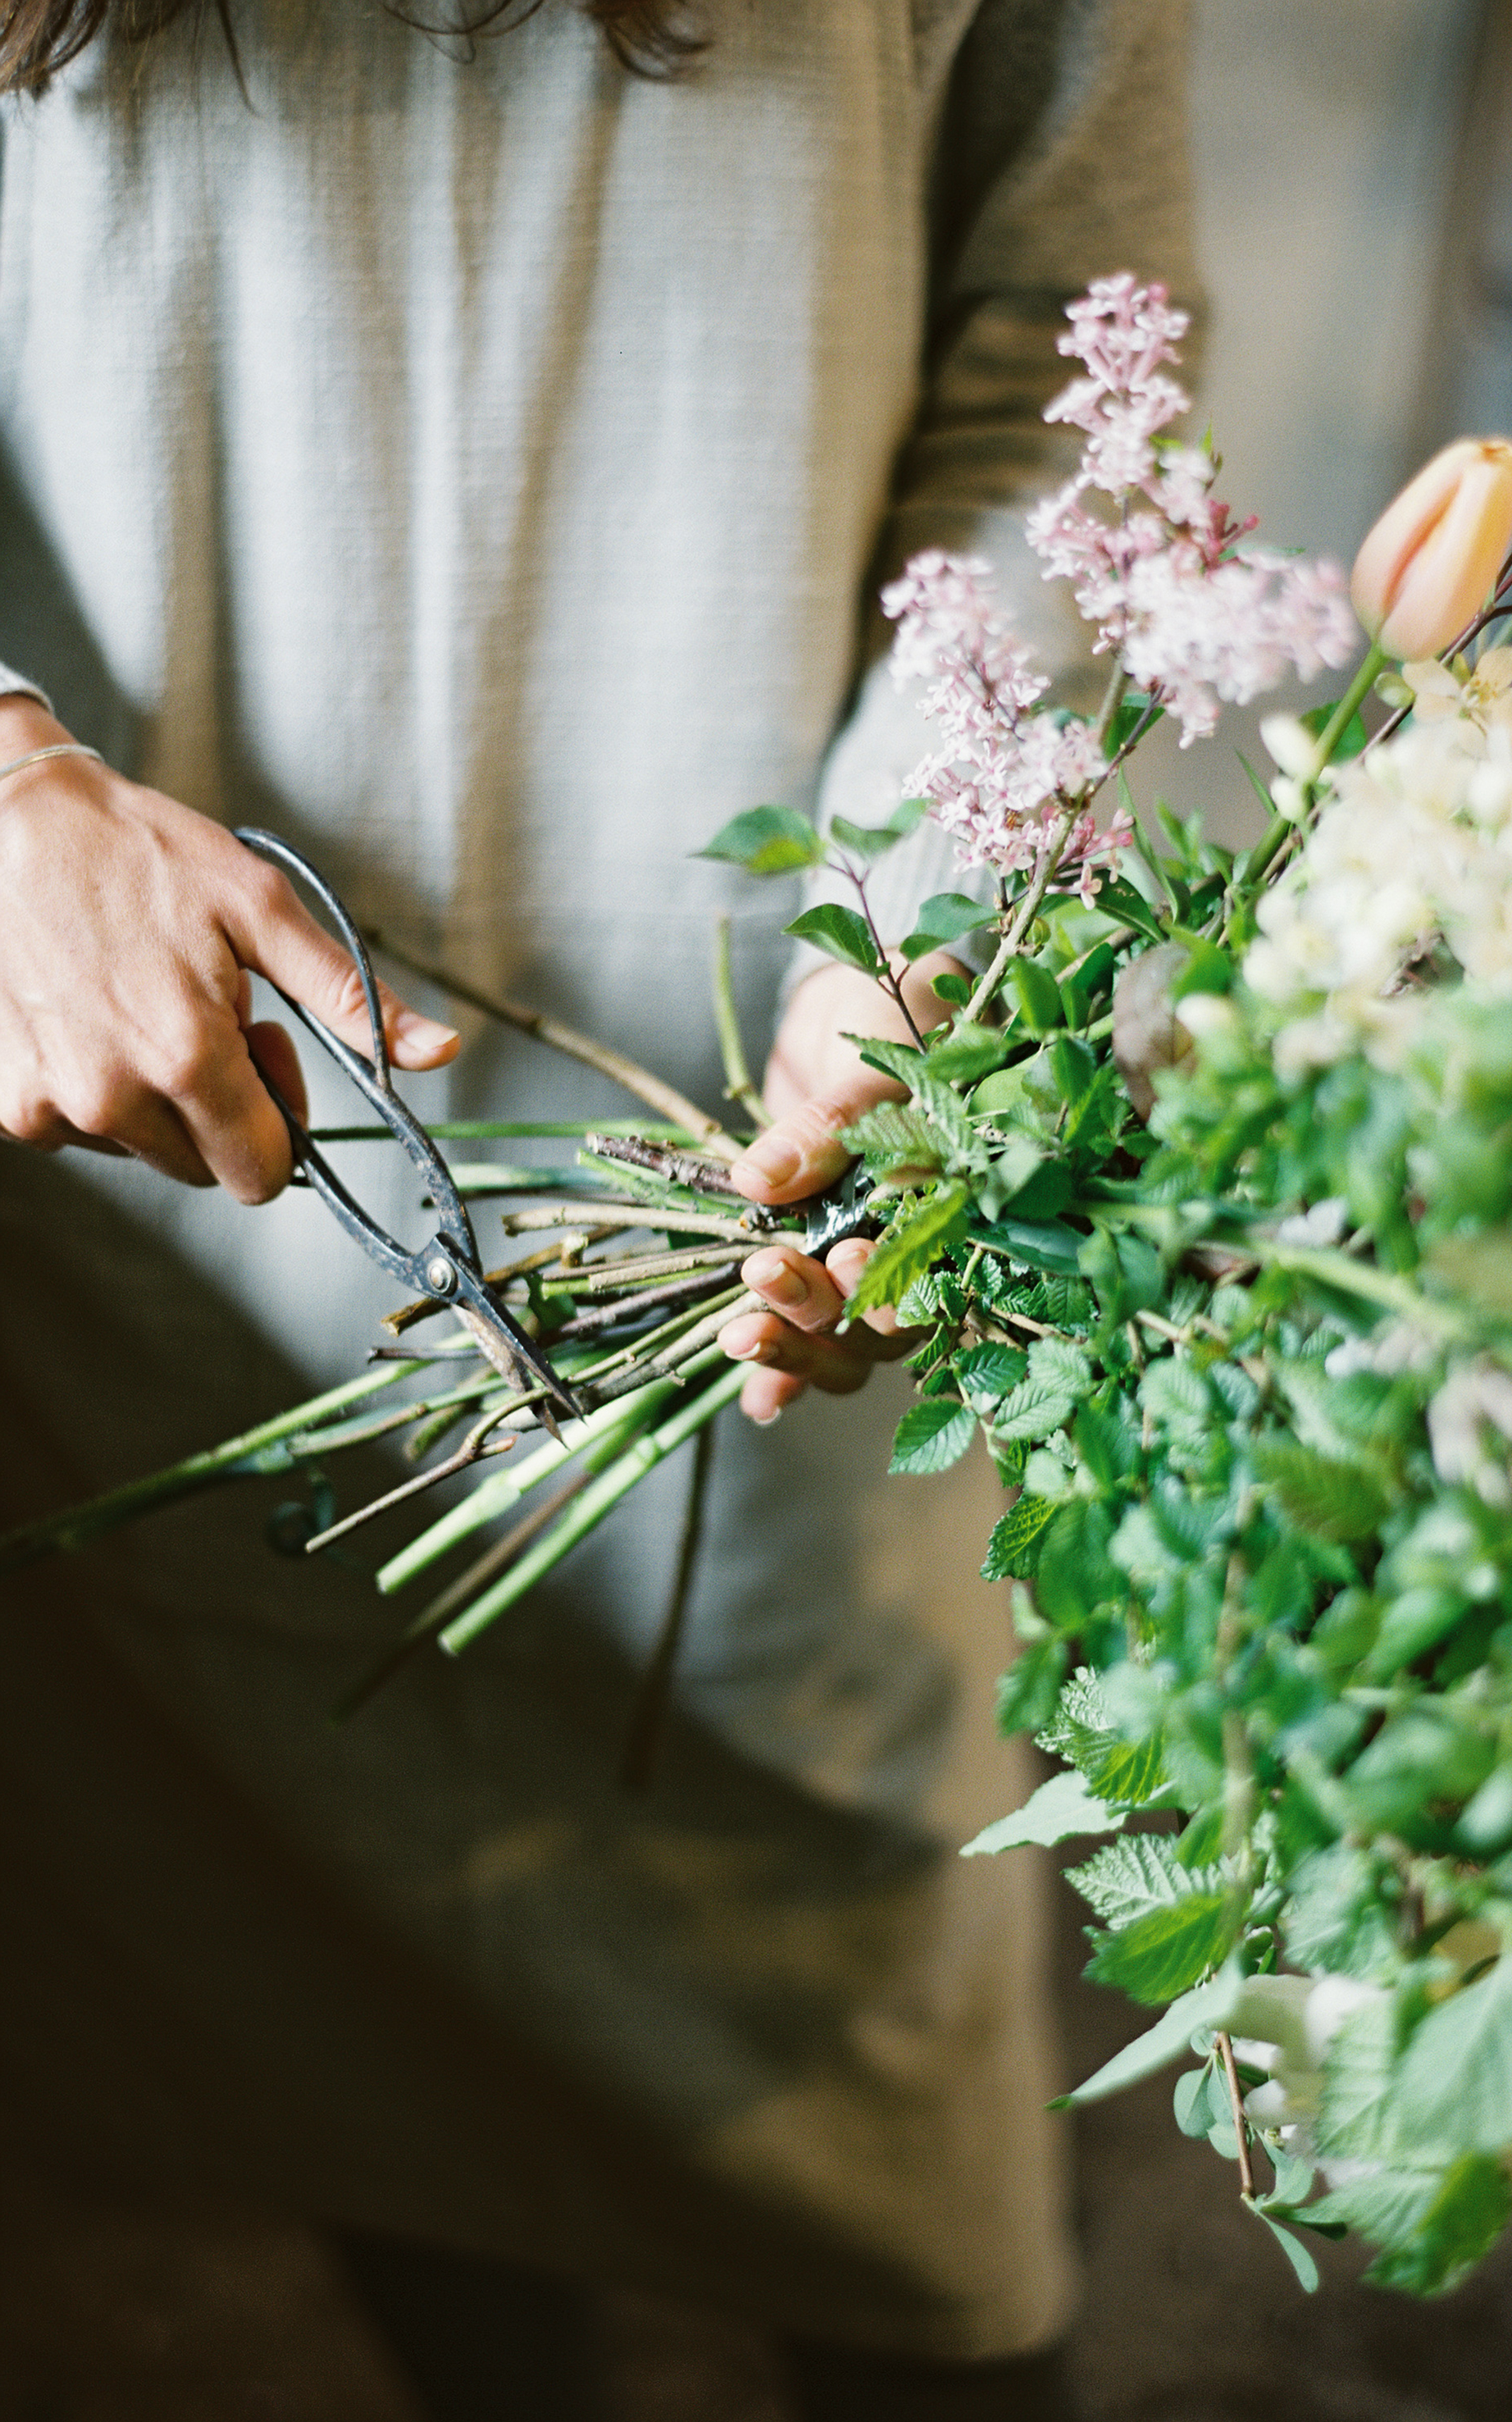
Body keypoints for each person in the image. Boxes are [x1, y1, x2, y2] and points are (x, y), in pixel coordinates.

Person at [0, 1, 1196, 2411]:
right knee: (353, 2010)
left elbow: (1070, 367)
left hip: (794, 1083)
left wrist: (944, 909)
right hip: (171, 1111)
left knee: (898, 2140)